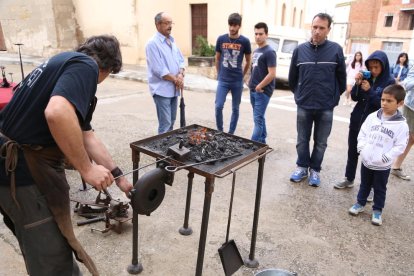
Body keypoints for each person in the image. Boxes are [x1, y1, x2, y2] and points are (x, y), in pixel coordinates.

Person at [0, 35, 133, 275]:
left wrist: (119, 177)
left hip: (13, 170)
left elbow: (87, 135)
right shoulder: (86, 66)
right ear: (108, 67)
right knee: (50, 257)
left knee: (48, 246)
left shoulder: (62, 62)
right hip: (20, 175)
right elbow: (57, 112)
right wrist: (87, 169)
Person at [288, 13, 347, 187]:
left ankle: (315, 170)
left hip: (326, 106)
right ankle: (301, 167)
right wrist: (299, 95)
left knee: (321, 142)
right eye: (315, 27)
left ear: (328, 29)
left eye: (322, 28)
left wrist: (333, 97)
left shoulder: (335, 50)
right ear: (311, 27)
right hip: (304, 104)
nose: (317, 31)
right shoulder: (300, 50)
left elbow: (341, 79)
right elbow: (293, 78)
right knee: (302, 140)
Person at [334, 50, 395, 194]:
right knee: (352, 152)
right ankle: (349, 179)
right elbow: (355, 97)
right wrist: (357, 83)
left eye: (377, 67)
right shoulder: (366, 77)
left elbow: (382, 105)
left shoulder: (389, 82)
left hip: (376, 127)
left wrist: (369, 91)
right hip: (357, 121)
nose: (373, 71)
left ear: (383, 66)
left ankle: (370, 188)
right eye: (371, 67)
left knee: (372, 157)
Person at [348, 84, 409, 226]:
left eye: (389, 101)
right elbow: (362, 133)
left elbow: (400, 145)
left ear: (400, 104)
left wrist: (387, 157)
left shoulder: (401, 125)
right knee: (364, 184)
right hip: (367, 160)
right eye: (383, 100)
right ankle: (360, 203)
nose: (384, 103)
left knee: (380, 188)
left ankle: (377, 210)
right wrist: (362, 149)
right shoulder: (372, 117)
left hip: (382, 165)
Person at [146, 12, 185, 134]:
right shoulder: (152, 44)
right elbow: (159, 70)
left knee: (172, 121)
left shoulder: (172, 42)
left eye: (171, 23)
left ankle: (169, 150)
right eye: (167, 23)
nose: (170, 26)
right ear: (158, 25)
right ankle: (161, 152)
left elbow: (181, 61)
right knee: (165, 124)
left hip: (174, 90)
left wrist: (180, 74)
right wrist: (176, 79)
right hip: (162, 90)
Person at [215, 13, 252, 134]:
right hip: (223, 80)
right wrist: (219, 74)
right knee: (218, 106)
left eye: (235, 25)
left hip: (237, 81)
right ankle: (220, 131)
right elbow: (217, 58)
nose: (232, 28)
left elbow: (248, 61)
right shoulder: (221, 39)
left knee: (235, 108)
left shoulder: (245, 41)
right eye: (230, 25)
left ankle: (231, 133)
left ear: (239, 26)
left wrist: (242, 75)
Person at [248, 22, 276, 144]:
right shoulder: (256, 50)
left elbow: (272, 74)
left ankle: (251, 147)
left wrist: (259, 86)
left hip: (262, 91)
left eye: (261, 34)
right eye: (256, 34)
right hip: (253, 90)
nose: (258, 36)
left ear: (266, 35)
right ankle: (262, 141)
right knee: (259, 117)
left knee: (257, 119)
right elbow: (254, 68)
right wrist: (249, 80)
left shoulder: (269, 52)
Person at [390, 65, 414, 180]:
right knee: (407, 136)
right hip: (412, 107)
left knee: (410, 138)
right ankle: (391, 164)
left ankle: (395, 166)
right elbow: (407, 85)